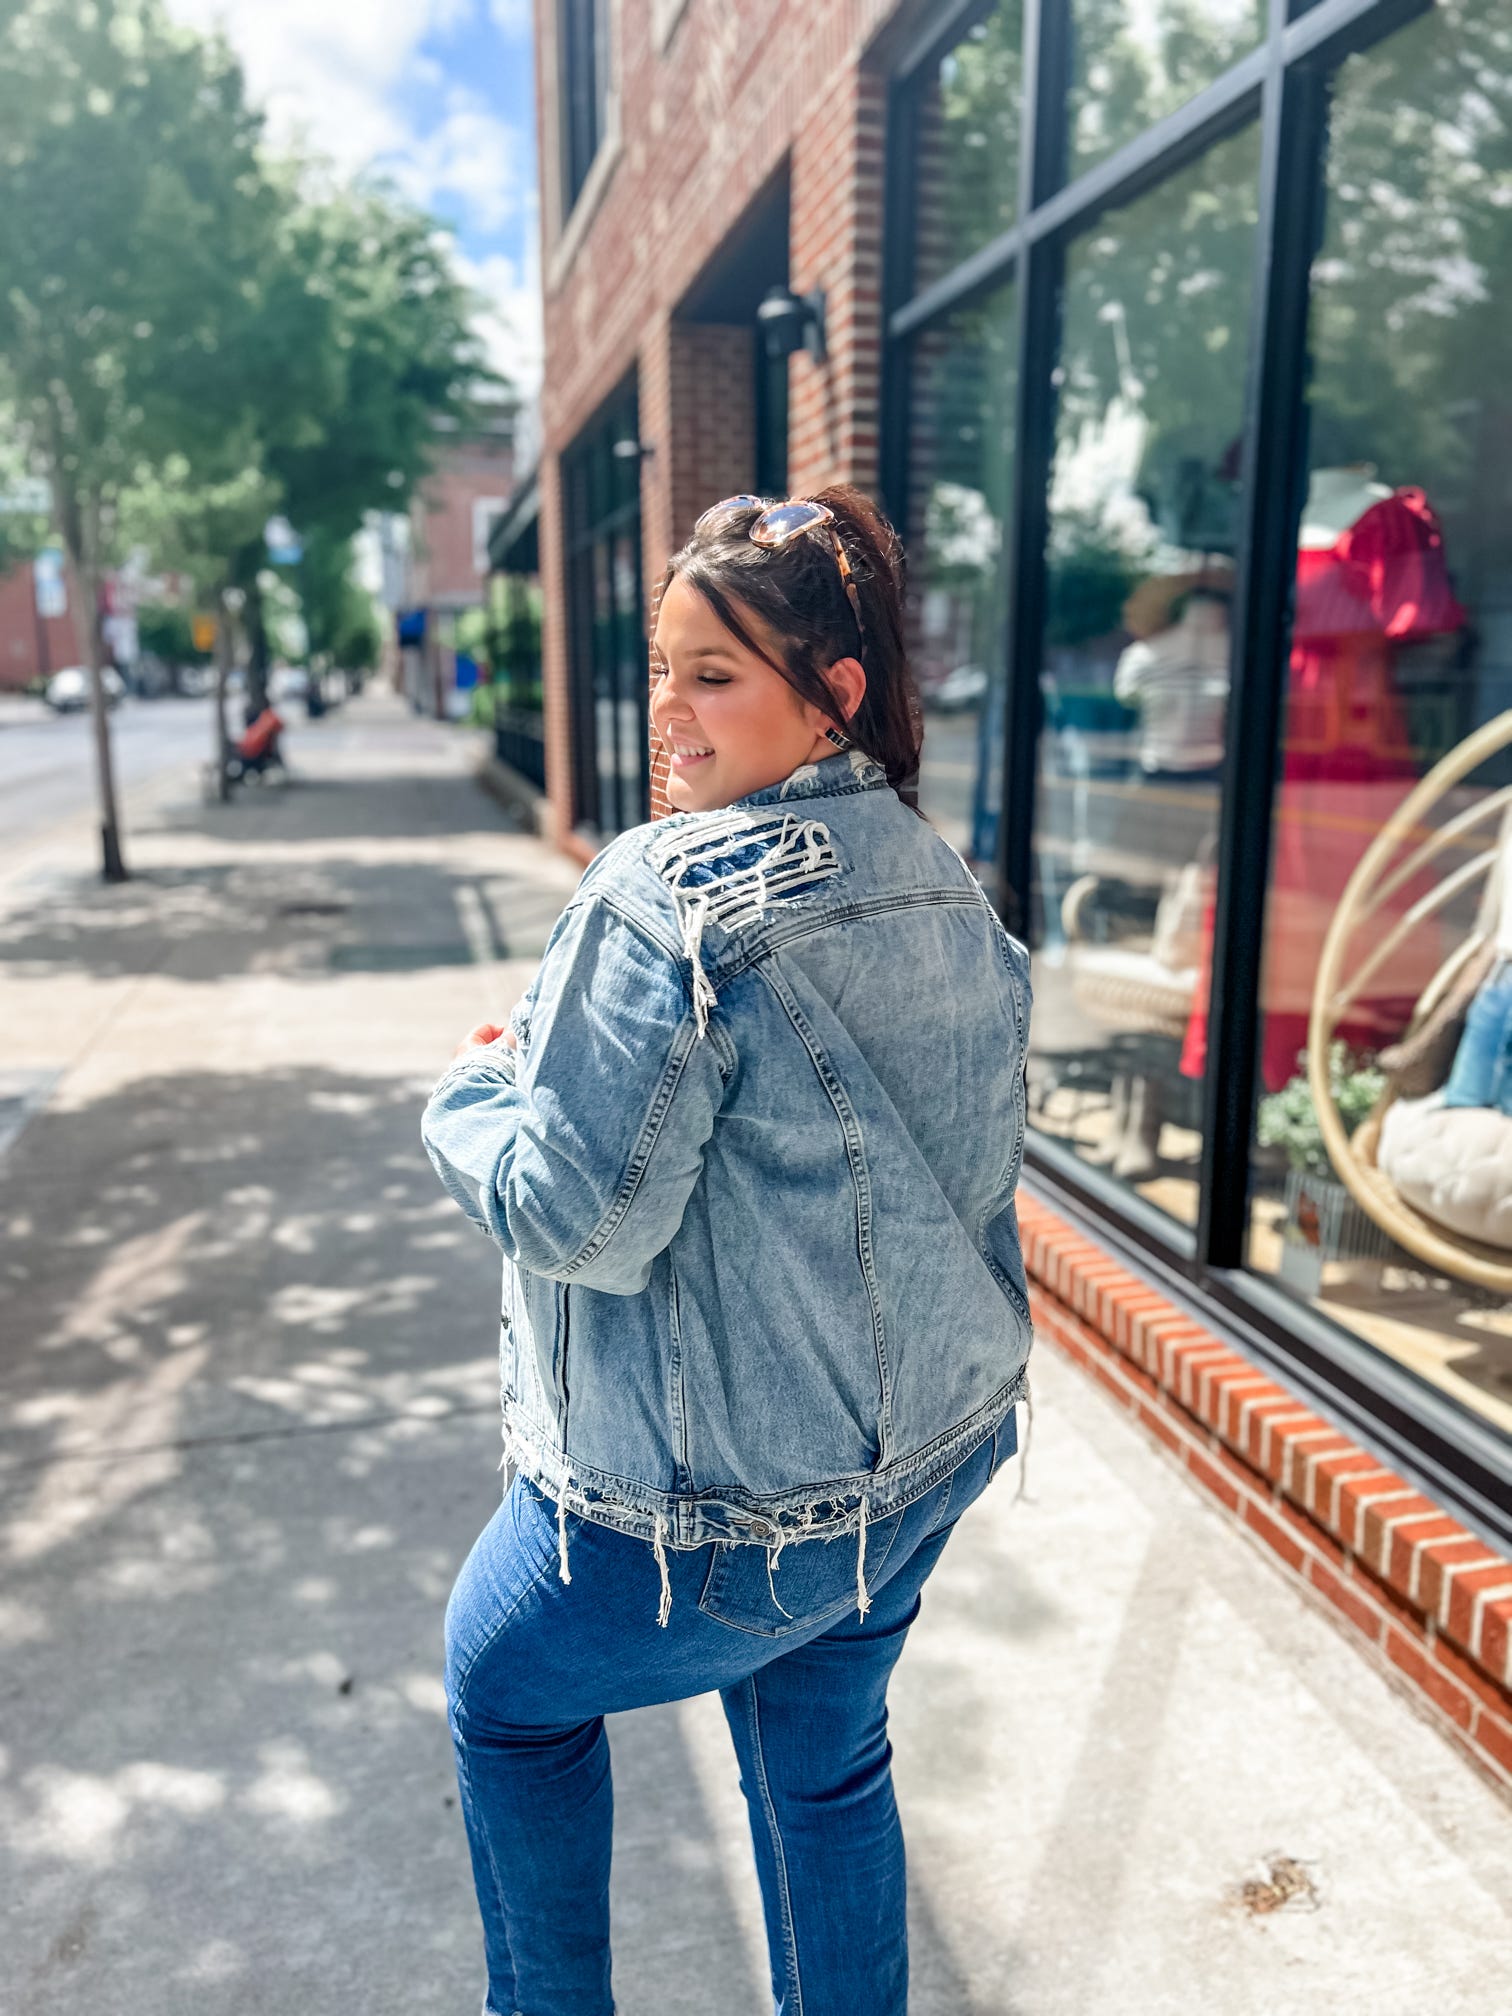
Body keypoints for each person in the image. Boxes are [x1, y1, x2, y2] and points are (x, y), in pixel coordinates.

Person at [421, 485, 1034, 2016]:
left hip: (705, 1523)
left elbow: (579, 1216)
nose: (669, 716)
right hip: (919, 1477)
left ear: (833, 695)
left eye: (716, 674)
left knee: (504, 1694)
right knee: (826, 1775)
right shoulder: (941, 876)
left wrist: (477, 1094)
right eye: (664, 671)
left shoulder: (665, 892)